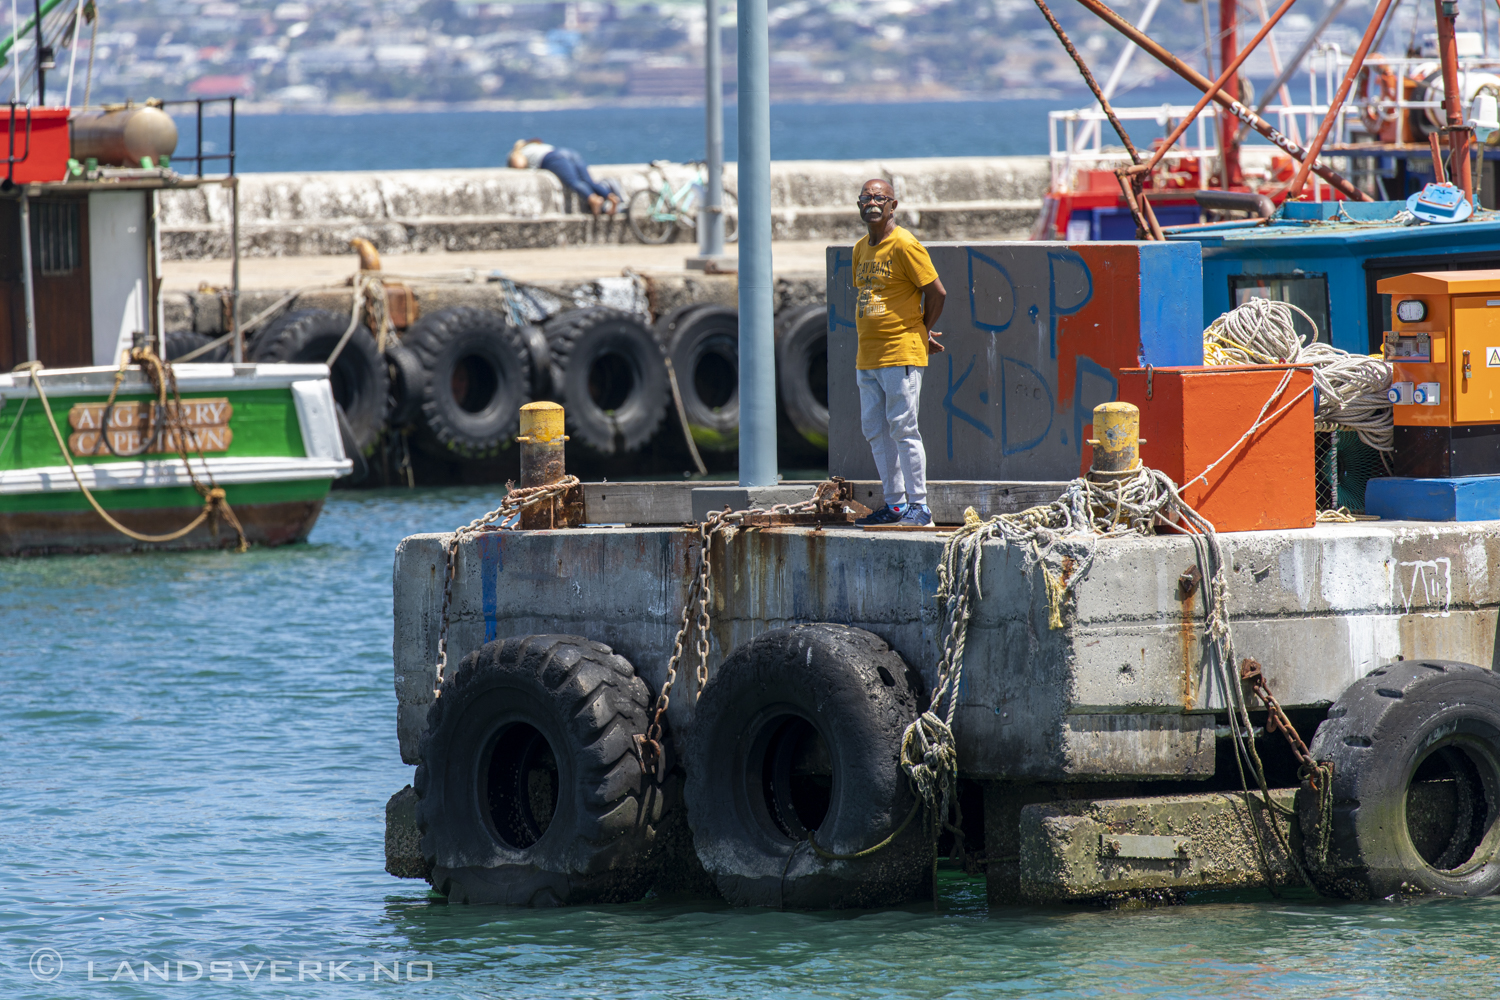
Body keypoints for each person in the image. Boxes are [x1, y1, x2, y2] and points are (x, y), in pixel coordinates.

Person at [851, 178, 945, 527]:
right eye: (866, 198)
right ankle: (894, 505)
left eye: (880, 198)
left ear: (893, 205)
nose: (872, 203)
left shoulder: (905, 244)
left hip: (899, 354)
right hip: (868, 357)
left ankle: (919, 507)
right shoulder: (860, 248)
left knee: (904, 429)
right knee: (875, 431)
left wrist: (920, 329)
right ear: (859, 205)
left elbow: (937, 293)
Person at [508, 139, 620, 216]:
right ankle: (611, 197)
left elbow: (519, 164)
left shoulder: (520, 150)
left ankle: (593, 200)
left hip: (552, 158)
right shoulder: (538, 145)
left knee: (573, 182)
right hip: (568, 152)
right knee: (588, 181)